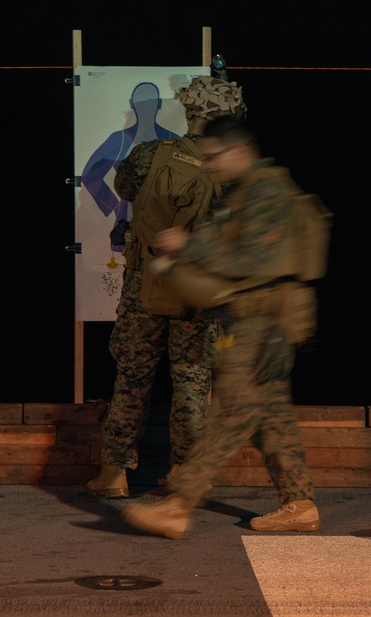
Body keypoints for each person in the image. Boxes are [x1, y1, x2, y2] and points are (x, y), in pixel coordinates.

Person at [121, 116, 321, 539]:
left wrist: (188, 244)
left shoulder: (266, 191)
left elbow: (250, 258)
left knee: (228, 416)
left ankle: (178, 504)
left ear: (239, 150)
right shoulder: (247, 191)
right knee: (273, 420)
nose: (210, 165)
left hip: (259, 321)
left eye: (214, 157)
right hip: (254, 320)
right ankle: (299, 504)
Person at [86, 76, 246, 498]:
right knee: (193, 381)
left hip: (145, 284)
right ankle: (187, 475)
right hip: (199, 290)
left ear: (189, 112)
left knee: (133, 377)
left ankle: (115, 473)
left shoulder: (149, 155)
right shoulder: (229, 172)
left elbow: (122, 189)